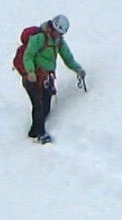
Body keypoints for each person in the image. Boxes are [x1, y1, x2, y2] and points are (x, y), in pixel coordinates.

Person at [13, 15, 86, 143]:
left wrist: (78, 69)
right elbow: (28, 56)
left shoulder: (59, 42)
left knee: (45, 105)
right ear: (52, 28)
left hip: (46, 78)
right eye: (57, 32)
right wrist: (30, 72)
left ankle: (34, 131)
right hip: (32, 78)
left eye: (61, 34)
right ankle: (41, 134)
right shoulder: (39, 38)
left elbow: (67, 57)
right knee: (38, 105)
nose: (58, 35)